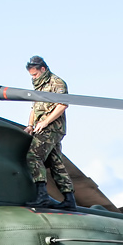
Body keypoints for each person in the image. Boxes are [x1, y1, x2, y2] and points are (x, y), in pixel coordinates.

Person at [24, 56, 77, 210]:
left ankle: (41, 196)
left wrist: (46, 122)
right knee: (56, 163)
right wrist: (29, 125)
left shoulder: (57, 82)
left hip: (52, 128)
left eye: (35, 74)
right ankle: (69, 199)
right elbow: (34, 108)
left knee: (33, 155)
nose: (34, 78)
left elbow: (62, 104)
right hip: (41, 127)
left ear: (43, 69)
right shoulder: (38, 86)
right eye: (31, 75)